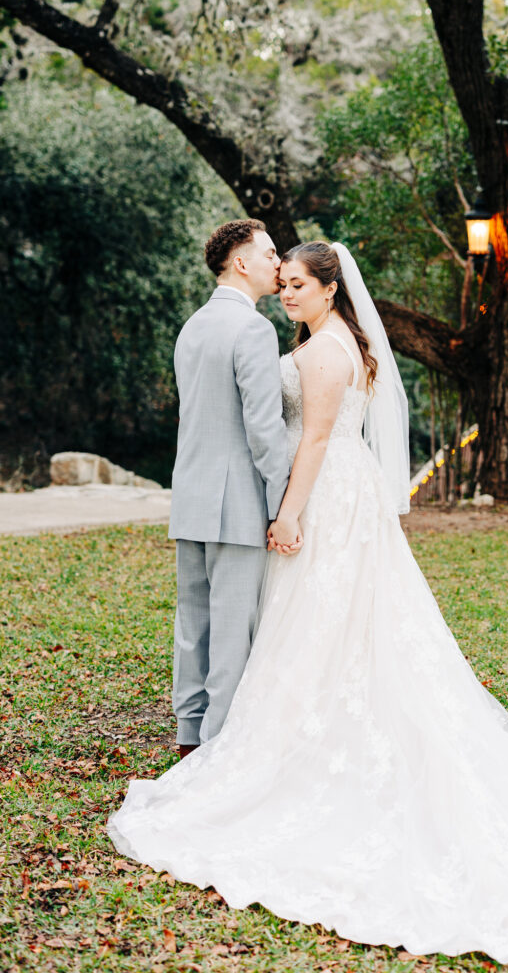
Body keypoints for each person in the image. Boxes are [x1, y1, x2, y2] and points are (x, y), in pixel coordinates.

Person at [109, 241, 508, 964]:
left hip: (321, 498)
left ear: (329, 289)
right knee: (326, 627)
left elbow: (314, 439)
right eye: (280, 282)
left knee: (323, 624)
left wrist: (286, 513)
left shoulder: (324, 353)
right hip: (333, 499)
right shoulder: (329, 340)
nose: (286, 293)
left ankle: (287, 745)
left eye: (296, 284)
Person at [167, 219, 291, 759]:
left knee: (192, 623)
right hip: (237, 503)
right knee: (232, 630)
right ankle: (218, 751)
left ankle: (189, 736)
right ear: (241, 262)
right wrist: (285, 502)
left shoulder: (192, 325)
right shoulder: (254, 330)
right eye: (269, 254)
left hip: (191, 496)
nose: (278, 264)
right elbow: (264, 430)